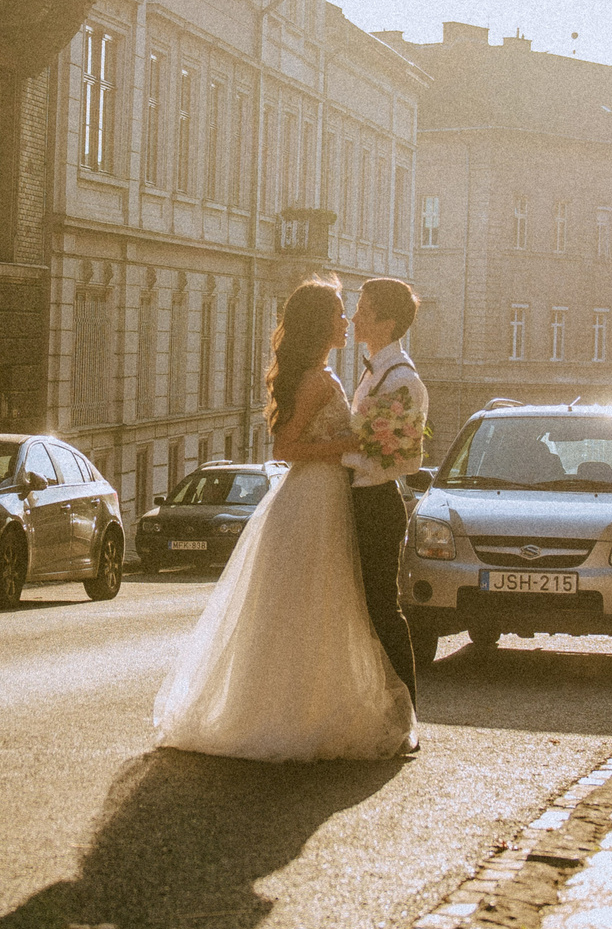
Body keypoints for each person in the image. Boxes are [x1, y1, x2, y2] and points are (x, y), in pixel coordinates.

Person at [151, 277, 415, 763]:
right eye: (338, 312)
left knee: (327, 610)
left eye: (351, 311)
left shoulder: (336, 374)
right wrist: (347, 445)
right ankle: (289, 714)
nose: (346, 320)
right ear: (319, 324)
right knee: (308, 609)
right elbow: (286, 449)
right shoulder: (319, 380)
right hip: (313, 499)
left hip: (332, 498)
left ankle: (314, 707)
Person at [343, 277, 429, 706]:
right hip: (361, 501)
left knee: (382, 610)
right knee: (364, 611)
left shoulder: (401, 379)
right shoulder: (376, 368)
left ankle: (406, 710)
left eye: (364, 307)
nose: (355, 315)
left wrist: (337, 456)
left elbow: (401, 460)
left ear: (388, 320)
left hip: (377, 504)